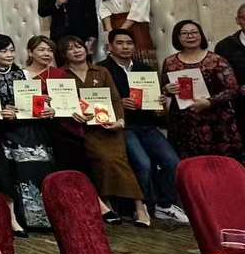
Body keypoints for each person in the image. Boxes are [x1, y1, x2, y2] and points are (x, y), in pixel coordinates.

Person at [99, 28, 188, 224]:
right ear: (110, 47)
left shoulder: (145, 69)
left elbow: (156, 105)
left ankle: (165, 204)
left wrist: (160, 101)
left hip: (147, 124)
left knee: (173, 162)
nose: (125, 47)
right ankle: (143, 206)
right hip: (124, 127)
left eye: (129, 43)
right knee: (143, 163)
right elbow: (97, 101)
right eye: (120, 43)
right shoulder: (102, 70)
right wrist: (119, 104)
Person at [0, 35, 59, 233]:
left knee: (40, 158)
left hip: (25, 126)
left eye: (11, 50)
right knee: (5, 163)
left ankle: (43, 217)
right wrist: (1, 112)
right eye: (3, 51)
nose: (9, 54)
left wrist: (42, 104)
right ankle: (15, 217)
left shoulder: (23, 75)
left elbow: (32, 105)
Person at [56, 36, 146, 225]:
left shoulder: (101, 71)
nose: (76, 51)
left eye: (79, 46)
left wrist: (120, 121)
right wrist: (72, 113)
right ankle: (107, 204)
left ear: (86, 49)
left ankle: (140, 206)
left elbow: (115, 99)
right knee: (101, 162)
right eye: (70, 49)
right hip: (84, 130)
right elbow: (61, 103)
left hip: (109, 126)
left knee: (119, 161)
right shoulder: (61, 75)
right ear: (64, 54)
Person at [163, 19, 241, 158]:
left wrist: (209, 102)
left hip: (215, 122)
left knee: (219, 163)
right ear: (177, 37)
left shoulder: (216, 60)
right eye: (185, 33)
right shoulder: (169, 62)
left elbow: (233, 89)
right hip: (183, 124)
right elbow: (164, 89)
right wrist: (167, 89)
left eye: (194, 32)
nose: (190, 36)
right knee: (190, 165)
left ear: (201, 35)